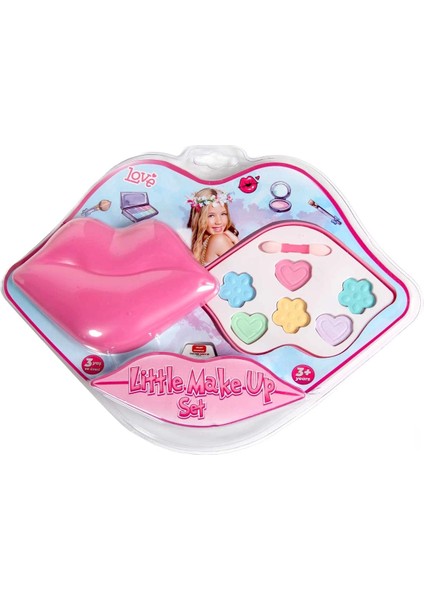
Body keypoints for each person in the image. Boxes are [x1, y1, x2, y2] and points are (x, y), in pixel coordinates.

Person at [187, 188, 239, 265]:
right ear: (199, 218)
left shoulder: (202, 244)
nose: (219, 221)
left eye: (223, 214)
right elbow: (244, 267)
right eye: (211, 215)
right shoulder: (218, 239)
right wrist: (236, 242)